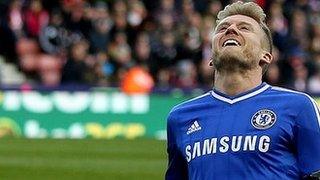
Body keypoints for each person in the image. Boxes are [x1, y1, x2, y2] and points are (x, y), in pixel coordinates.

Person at [165, 1, 320, 180]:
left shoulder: (298, 106)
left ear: (266, 56)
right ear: (211, 58)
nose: (230, 29)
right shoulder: (180, 117)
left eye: (244, 28)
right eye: (222, 28)